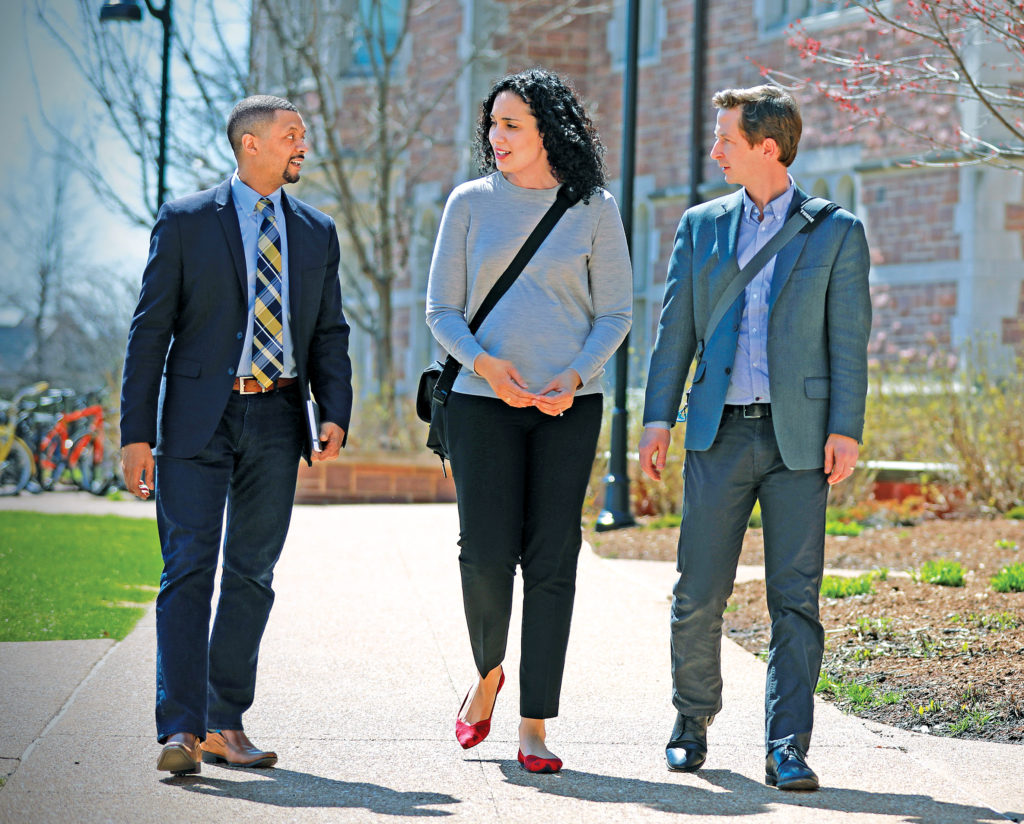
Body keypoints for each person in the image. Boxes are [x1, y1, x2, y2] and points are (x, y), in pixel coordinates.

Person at [638, 85, 870, 791]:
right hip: (717, 434)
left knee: (794, 600)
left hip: (800, 442)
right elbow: (674, 326)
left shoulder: (836, 231)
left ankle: (787, 747)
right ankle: (690, 718)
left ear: (768, 148)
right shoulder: (701, 226)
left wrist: (846, 430)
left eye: (727, 141)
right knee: (698, 590)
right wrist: (655, 418)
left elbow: (848, 343)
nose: (716, 152)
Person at [120, 95, 353, 776]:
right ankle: (181, 730)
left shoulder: (316, 231)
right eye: (290, 135)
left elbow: (330, 331)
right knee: (187, 568)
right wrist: (137, 432)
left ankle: (225, 722)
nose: (301, 145)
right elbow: (149, 331)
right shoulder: (187, 221)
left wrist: (333, 407)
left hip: (278, 418)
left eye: (302, 135)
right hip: (197, 418)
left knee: (252, 572)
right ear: (250, 144)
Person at [426, 69, 632, 774]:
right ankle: (487, 674)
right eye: (493, 124)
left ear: (550, 129)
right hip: (484, 407)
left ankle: (534, 725)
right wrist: (487, 367)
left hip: (569, 408)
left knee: (552, 560)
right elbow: (441, 311)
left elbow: (616, 314)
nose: (496, 136)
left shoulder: (595, 208)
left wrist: (574, 376)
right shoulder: (469, 203)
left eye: (512, 124)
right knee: (483, 551)